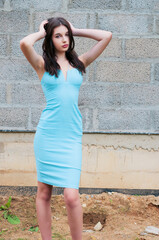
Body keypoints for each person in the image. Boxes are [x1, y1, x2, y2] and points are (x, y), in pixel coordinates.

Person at [20, 17, 112, 240]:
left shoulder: (80, 62)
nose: (64, 39)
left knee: (71, 196)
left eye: (66, 35)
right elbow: (24, 43)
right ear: (50, 39)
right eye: (58, 35)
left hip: (70, 137)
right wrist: (42, 31)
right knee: (44, 193)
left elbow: (106, 36)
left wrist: (75, 29)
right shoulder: (42, 64)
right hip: (47, 135)